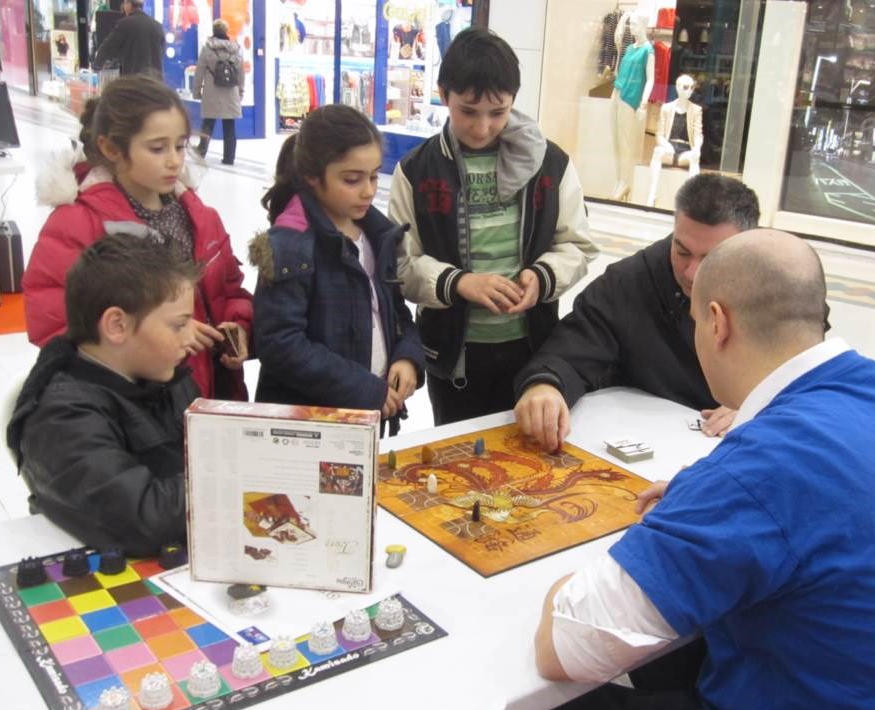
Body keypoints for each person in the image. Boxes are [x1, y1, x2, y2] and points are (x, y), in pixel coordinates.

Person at [476, 229, 875, 710]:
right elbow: (832, 496)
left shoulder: (763, 470)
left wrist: (677, 524)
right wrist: (707, 496)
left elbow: (564, 647)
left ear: (717, 322)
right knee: (674, 650)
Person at [389, 27, 594, 426]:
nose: (482, 127)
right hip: (453, 357)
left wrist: (542, 276)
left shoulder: (550, 163)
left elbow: (577, 245)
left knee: (532, 453)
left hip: (534, 351)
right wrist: (459, 282)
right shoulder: (416, 170)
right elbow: (400, 263)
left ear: (513, 100)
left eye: (498, 113)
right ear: (443, 93)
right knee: (458, 454)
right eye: (468, 111)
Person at [23, 75, 253, 400]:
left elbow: (229, 290)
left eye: (180, 145)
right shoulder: (78, 225)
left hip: (211, 397)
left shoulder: (201, 217)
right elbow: (54, 325)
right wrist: (167, 335)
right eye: (157, 148)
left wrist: (238, 326)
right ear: (111, 148)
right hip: (134, 403)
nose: (174, 160)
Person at [514, 173, 759, 451]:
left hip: (745, 446)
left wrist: (759, 405)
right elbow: (573, 347)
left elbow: (797, 379)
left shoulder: (777, 287)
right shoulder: (631, 282)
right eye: (681, 252)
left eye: (711, 258)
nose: (691, 273)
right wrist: (546, 385)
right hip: (652, 443)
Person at [7, 234, 199, 557]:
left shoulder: (168, 377)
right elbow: (142, 518)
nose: (191, 337)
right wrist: (238, 478)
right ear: (116, 326)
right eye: (178, 325)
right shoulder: (61, 417)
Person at [250, 105, 424, 436]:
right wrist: (363, 388)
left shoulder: (377, 234)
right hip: (310, 428)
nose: (368, 190)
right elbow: (280, 344)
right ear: (312, 176)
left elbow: (395, 312)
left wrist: (408, 356)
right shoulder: (290, 245)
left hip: (367, 418)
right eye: (352, 180)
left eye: (374, 176)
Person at [609, 11, 654, 201]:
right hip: (617, 93)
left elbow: (651, 79)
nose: (632, 28)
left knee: (626, 142)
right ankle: (619, 179)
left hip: (631, 98)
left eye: (634, 25)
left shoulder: (648, 50)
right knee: (616, 141)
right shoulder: (629, 48)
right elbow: (617, 41)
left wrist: (644, 101)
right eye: (631, 25)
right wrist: (623, 19)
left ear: (643, 26)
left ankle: (626, 181)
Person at [646, 74, 703, 207]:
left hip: (686, 150)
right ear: (677, 88)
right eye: (686, 87)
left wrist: (697, 148)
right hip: (669, 149)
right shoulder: (666, 108)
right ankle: (652, 193)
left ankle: (690, 199)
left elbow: (698, 134)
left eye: (692, 87)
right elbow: (659, 134)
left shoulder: (696, 110)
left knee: (695, 158)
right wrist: (666, 145)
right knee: (657, 152)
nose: (689, 90)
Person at [193, 18, 244, 166]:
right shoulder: (236, 49)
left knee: (208, 122)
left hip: (212, 91)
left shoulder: (207, 48)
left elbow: (199, 72)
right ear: (226, 31)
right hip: (231, 91)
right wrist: (240, 91)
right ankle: (229, 157)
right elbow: (241, 73)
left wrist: (196, 91)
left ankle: (201, 151)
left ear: (213, 31)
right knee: (229, 125)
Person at [91, 0, 164, 77]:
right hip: (155, 80)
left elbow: (108, 46)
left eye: (125, 3)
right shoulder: (157, 26)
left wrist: (96, 65)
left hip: (134, 79)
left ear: (129, 5)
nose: (123, 7)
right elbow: (162, 51)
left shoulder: (125, 23)